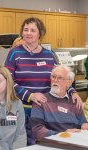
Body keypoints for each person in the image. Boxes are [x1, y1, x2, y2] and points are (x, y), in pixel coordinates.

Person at [5, 17, 82, 145]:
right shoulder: (14, 53)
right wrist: (30, 95)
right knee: (25, 144)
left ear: (40, 33)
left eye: (32, 30)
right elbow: (8, 81)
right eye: (25, 30)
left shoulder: (49, 54)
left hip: (46, 109)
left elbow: (60, 76)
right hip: (23, 109)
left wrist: (72, 91)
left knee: (46, 142)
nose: (28, 33)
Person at [31, 65, 88, 142]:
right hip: (51, 145)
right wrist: (63, 135)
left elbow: (82, 123)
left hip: (75, 143)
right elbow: (37, 131)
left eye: (60, 78)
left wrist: (84, 126)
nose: (55, 80)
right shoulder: (40, 101)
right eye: (53, 77)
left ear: (69, 82)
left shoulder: (74, 102)